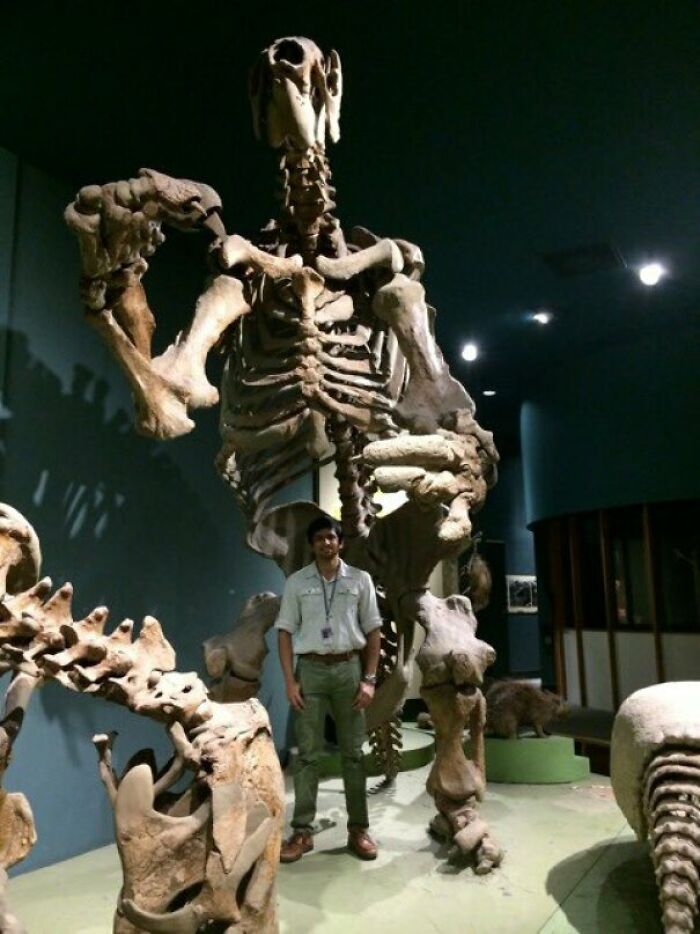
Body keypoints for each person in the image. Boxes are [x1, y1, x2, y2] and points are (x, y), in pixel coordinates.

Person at [275, 515, 382, 862]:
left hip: (349, 669)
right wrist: (290, 681)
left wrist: (369, 679)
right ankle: (302, 832)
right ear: (312, 545)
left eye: (331, 538)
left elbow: (374, 630)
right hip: (310, 672)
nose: (326, 543)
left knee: (353, 753)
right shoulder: (296, 582)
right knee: (307, 754)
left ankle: (358, 829)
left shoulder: (360, 580)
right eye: (319, 538)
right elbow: (284, 632)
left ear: (341, 542)